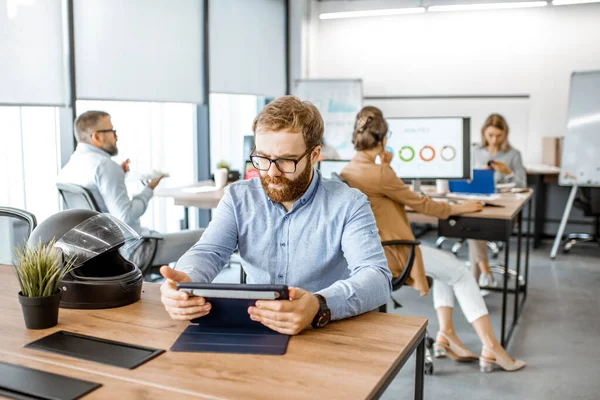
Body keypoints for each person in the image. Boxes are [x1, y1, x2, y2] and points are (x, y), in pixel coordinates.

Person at [159, 96, 392, 335]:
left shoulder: (349, 203)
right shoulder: (238, 198)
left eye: (286, 161)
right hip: (256, 328)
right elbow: (208, 252)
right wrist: (186, 281)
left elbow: (376, 277)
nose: (271, 172)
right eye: (263, 158)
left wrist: (319, 304)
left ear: (314, 155)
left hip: (323, 331)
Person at [341, 106, 525, 372]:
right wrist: (463, 207)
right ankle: (491, 347)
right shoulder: (380, 173)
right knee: (461, 272)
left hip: (372, 249)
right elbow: (426, 206)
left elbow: (384, 196)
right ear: (383, 139)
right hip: (394, 253)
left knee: (446, 267)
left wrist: (387, 166)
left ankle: (446, 335)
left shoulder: (353, 168)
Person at [57, 111, 204, 274]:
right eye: (112, 131)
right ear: (97, 137)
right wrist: (148, 190)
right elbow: (125, 217)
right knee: (208, 236)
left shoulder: (69, 168)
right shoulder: (105, 166)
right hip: (132, 251)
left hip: (100, 253)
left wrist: (118, 173)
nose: (116, 136)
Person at [470, 114, 527, 289]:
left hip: (503, 207)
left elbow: (522, 184)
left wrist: (507, 171)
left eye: (498, 135)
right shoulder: (475, 152)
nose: (494, 140)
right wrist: (479, 173)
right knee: (473, 223)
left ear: (505, 134)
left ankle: (479, 279)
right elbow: (466, 179)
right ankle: (484, 276)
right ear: (484, 134)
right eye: (490, 135)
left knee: (473, 227)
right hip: (479, 202)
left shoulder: (513, 154)